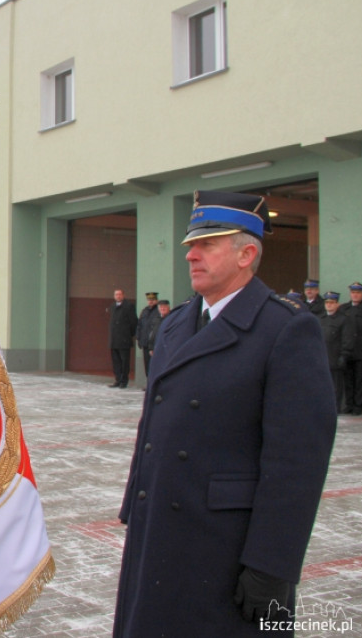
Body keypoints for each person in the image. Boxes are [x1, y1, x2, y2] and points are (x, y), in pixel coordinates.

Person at [114, 190, 336, 637]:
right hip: (158, 529)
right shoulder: (176, 323)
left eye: (206, 244)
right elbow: (153, 426)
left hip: (224, 544)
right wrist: (134, 507)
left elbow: (297, 463)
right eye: (190, 245)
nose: (191, 255)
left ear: (246, 254)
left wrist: (272, 565)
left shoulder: (286, 329)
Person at [319, 291, 354, 414]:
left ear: (337, 304)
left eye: (332, 302)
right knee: (322, 386)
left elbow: (347, 339)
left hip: (335, 358)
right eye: (327, 302)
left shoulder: (343, 319)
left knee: (336, 387)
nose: (329, 305)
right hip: (322, 359)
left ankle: (335, 408)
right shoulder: (320, 319)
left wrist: (344, 355)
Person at [339, 281, 362, 415]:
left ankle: (358, 406)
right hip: (347, 351)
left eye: (358, 293)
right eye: (353, 292)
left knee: (360, 380)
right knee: (348, 380)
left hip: (361, 350)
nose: (355, 295)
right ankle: (349, 404)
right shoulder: (344, 309)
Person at [108, 288, 138, 388]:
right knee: (116, 361)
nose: (118, 296)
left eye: (120, 294)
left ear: (123, 295)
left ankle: (124, 381)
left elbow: (133, 322)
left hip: (124, 339)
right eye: (116, 294)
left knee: (124, 361)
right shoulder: (113, 306)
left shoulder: (129, 306)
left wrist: (128, 334)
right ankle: (118, 380)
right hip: (114, 339)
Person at [135, 292, 160, 377]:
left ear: (156, 300)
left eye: (153, 299)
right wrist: (138, 338)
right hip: (145, 343)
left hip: (154, 344)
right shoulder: (145, 311)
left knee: (154, 365)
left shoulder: (158, 311)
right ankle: (148, 381)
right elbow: (139, 325)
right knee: (147, 365)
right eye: (149, 300)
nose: (151, 301)